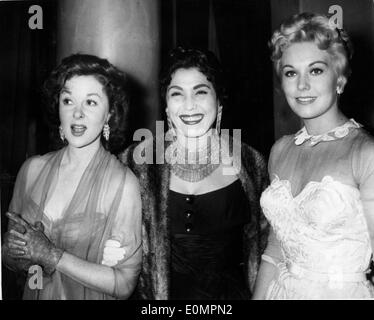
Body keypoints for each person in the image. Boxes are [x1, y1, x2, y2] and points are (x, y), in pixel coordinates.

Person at [121, 47, 269, 300]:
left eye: (201, 92)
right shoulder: (136, 162)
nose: (189, 105)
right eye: (177, 94)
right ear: (166, 107)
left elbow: (268, 249)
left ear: (219, 101)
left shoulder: (250, 163)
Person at [253, 12, 374, 299]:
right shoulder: (280, 150)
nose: (302, 85)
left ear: (340, 78)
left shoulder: (365, 153)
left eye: (316, 70)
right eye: (291, 72)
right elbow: (275, 248)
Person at [1, 54, 142, 300]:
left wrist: (53, 256)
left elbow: (124, 284)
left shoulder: (122, 183)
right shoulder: (31, 170)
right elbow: (10, 260)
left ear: (109, 114)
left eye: (91, 102)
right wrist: (14, 252)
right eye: (68, 100)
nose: (77, 114)